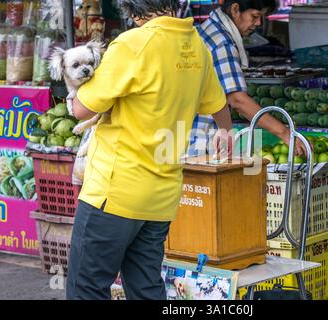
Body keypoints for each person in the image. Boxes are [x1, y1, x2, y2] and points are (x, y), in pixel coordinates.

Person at [66, 0, 232, 300]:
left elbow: (81, 108)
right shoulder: (195, 44)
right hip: (161, 197)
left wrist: (73, 96)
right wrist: (225, 131)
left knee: (86, 287)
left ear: (131, 7)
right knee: (145, 288)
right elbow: (219, 105)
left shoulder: (132, 44)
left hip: (115, 192)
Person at [188, 0, 306, 158]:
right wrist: (285, 133)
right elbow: (237, 99)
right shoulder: (222, 43)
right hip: (200, 143)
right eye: (255, 16)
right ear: (235, 9)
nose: (258, 23)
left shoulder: (209, 28)